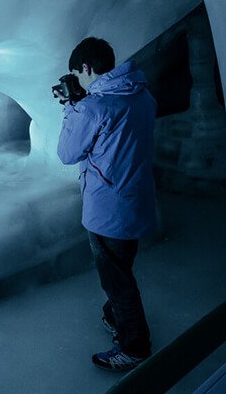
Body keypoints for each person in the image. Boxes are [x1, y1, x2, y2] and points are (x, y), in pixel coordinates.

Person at [55, 37, 157, 371]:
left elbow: (68, 154)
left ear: (85, 68)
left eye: (78, 74)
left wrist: (73, 106)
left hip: (106, 209)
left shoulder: (93, 108)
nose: (79, 81)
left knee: (117, 280)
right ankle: (115, 318)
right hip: (135, 200)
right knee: (122, 267)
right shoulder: (142, 96)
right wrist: (83, 100)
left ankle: (134, 346)